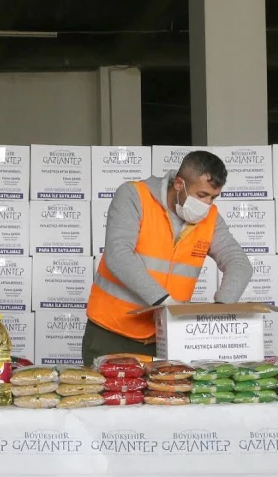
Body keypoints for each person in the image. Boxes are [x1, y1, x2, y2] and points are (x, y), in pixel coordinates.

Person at [83, 150, 253, 365]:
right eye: (201, 195)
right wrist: (165, 303)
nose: (208, 204)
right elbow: (118, 254)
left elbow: (240, 264)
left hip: (166, 339)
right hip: (111, 333)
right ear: (179, 184)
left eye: (213, 197)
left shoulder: (210, 219)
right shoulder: (134, 196)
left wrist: (218, 312)